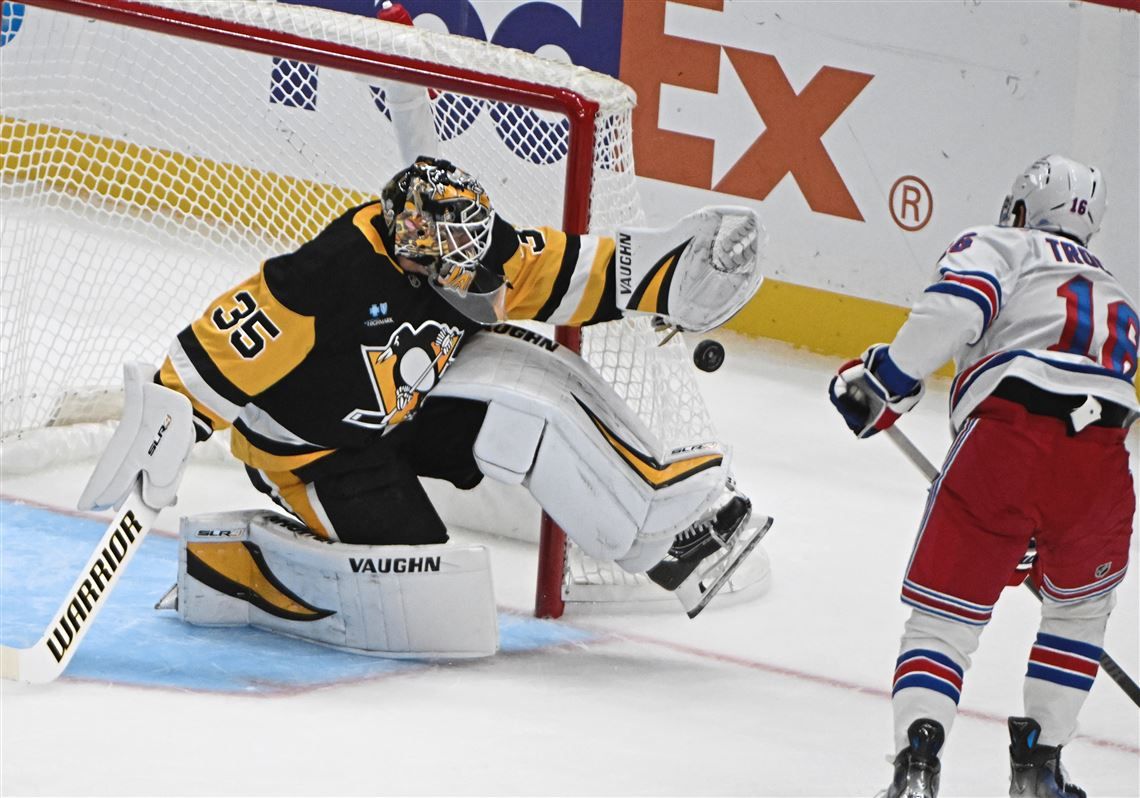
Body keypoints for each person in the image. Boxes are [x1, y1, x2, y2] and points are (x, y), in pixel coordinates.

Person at [148, 155, 769, 621]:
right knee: (419, 577)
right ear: (410, 246)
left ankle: (667, 537)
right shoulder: (326, 275)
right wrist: (169, 427)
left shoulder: (472, 242)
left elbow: (552, 270)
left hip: (410, 409)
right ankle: (231, 566)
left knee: (533, 390)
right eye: (453, 254)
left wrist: (659, 273)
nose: (477, 268)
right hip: (316, 457)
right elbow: (218, 352)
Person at [828, 154, 1137, 797]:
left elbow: (955, 314)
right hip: (1104, 464)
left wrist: (882, 382)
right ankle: (1041, 770)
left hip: (1006, 444)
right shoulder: (1117, 292)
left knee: (944, 622)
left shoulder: (1002, 244)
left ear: (1023, 207)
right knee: (1078, 616)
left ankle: (917, 768)